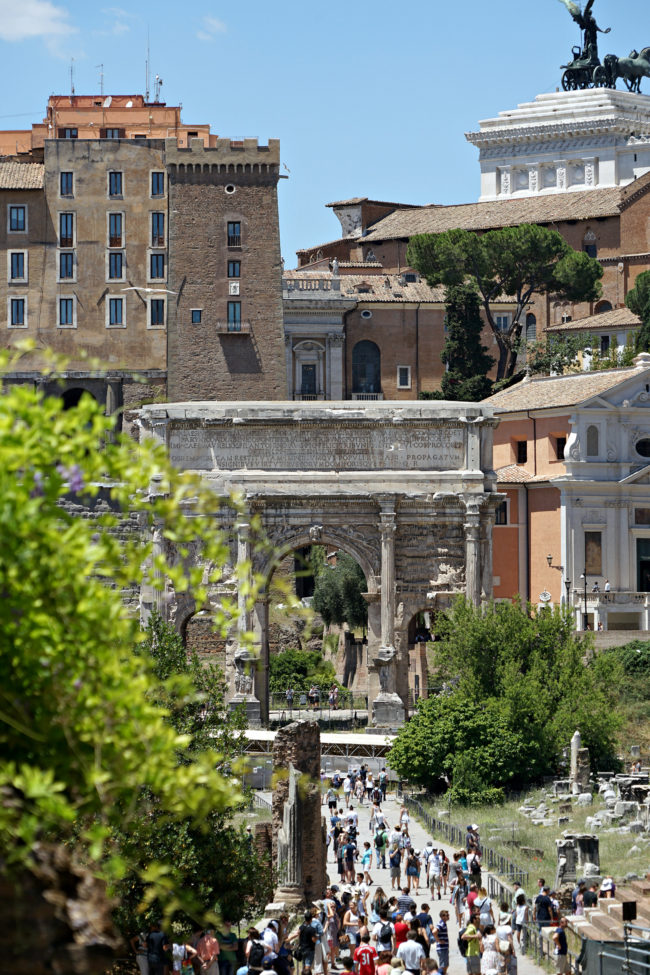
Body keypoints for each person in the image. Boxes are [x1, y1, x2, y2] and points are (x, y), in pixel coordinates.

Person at [432, 910, 450, 975]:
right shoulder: (441, 923)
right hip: (442, 948)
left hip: (444, 948)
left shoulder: (443, 923)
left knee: (445, 965)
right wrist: (438, 940)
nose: (448, 916)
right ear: (442, 916)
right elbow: (434, 931)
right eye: (447, 915)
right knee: (443, 966)